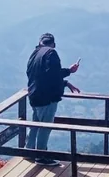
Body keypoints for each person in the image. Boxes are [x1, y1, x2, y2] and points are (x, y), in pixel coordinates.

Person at [26, 33, 80, 166]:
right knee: (45, 127)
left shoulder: (34, 54)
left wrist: (66, 79)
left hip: (34, 95)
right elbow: (53, 76)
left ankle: (28, 152)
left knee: (35, 124)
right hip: (46, 97)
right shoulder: (51, 53)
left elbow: (35, 74)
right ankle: (41, 157)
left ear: (40, 42)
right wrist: (68, 74)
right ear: (53, 44)